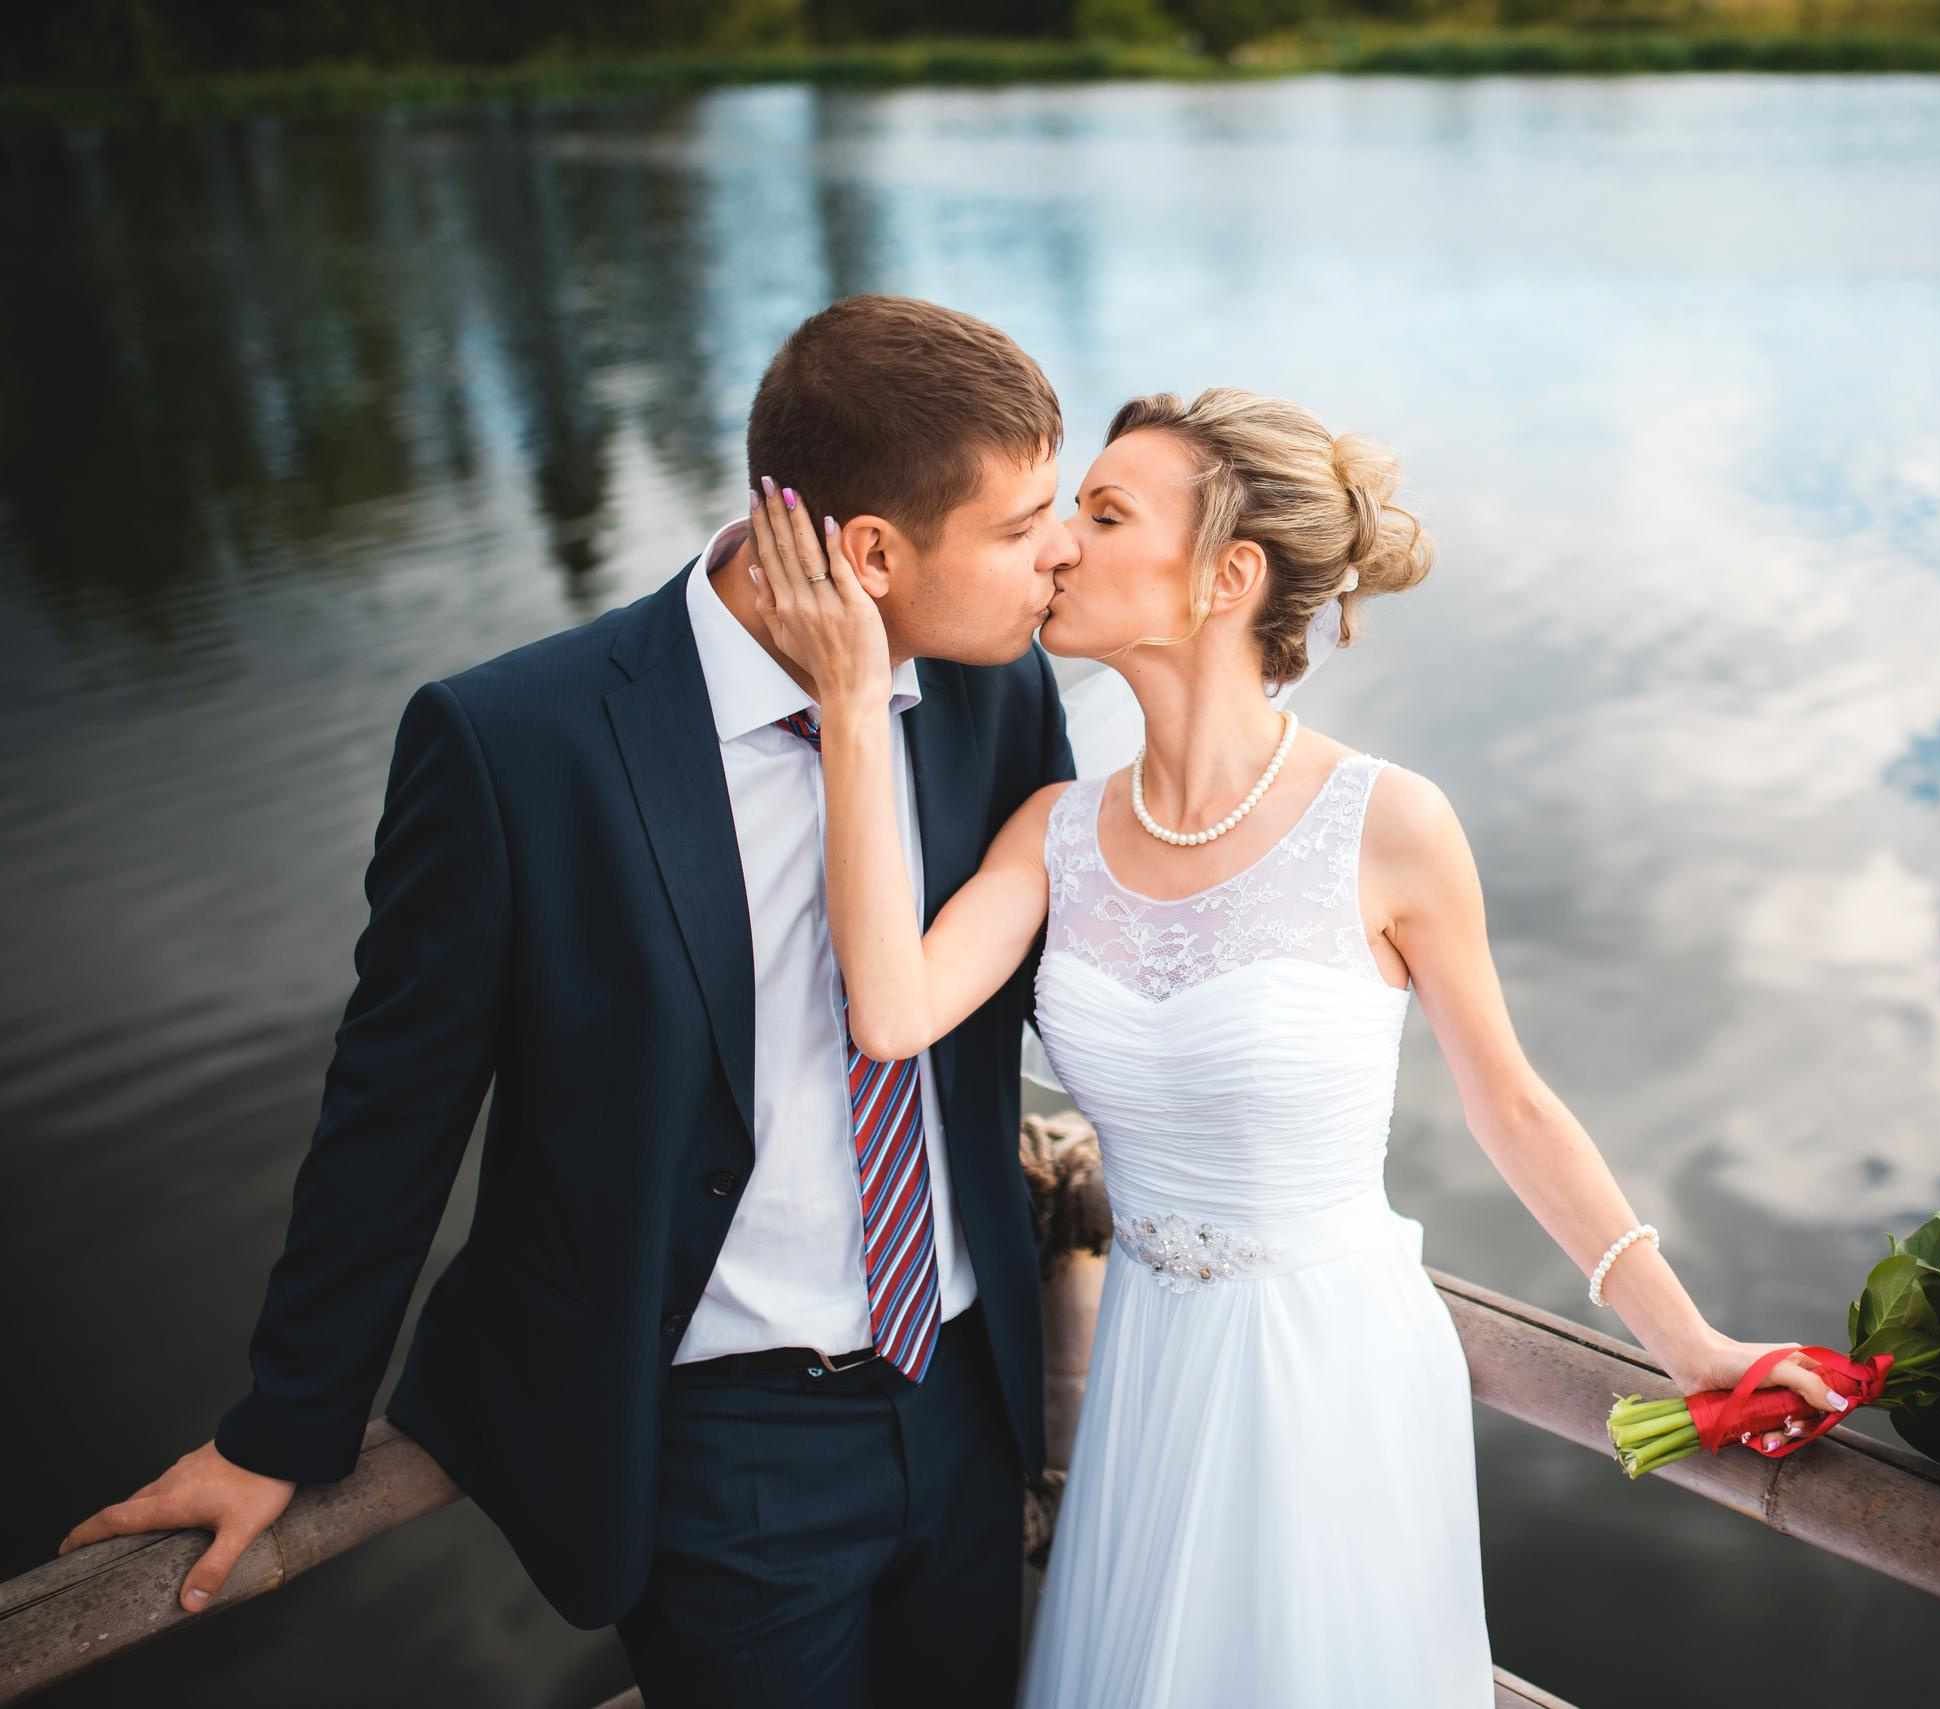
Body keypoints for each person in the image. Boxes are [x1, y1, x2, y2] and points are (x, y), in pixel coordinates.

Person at [744, 386, 1848, 1707]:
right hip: (1151, 1365)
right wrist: (856, 708)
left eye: (1102, 514)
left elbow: (1513, 1106)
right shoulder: (1053, 831)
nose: (1057, 547)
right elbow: (891, 1009)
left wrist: (1693, 1347)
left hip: (1332, 1377)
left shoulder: (1389, 823)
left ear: (1230, 575)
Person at [60, 294, 1081, 1708]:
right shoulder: (515, 742)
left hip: (965, 1391)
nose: (1064, 551)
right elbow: (392, 1109)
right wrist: (281, 1427)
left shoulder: (995, 691)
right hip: (723, 1448)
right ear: (869, 552)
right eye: (1025, 524)